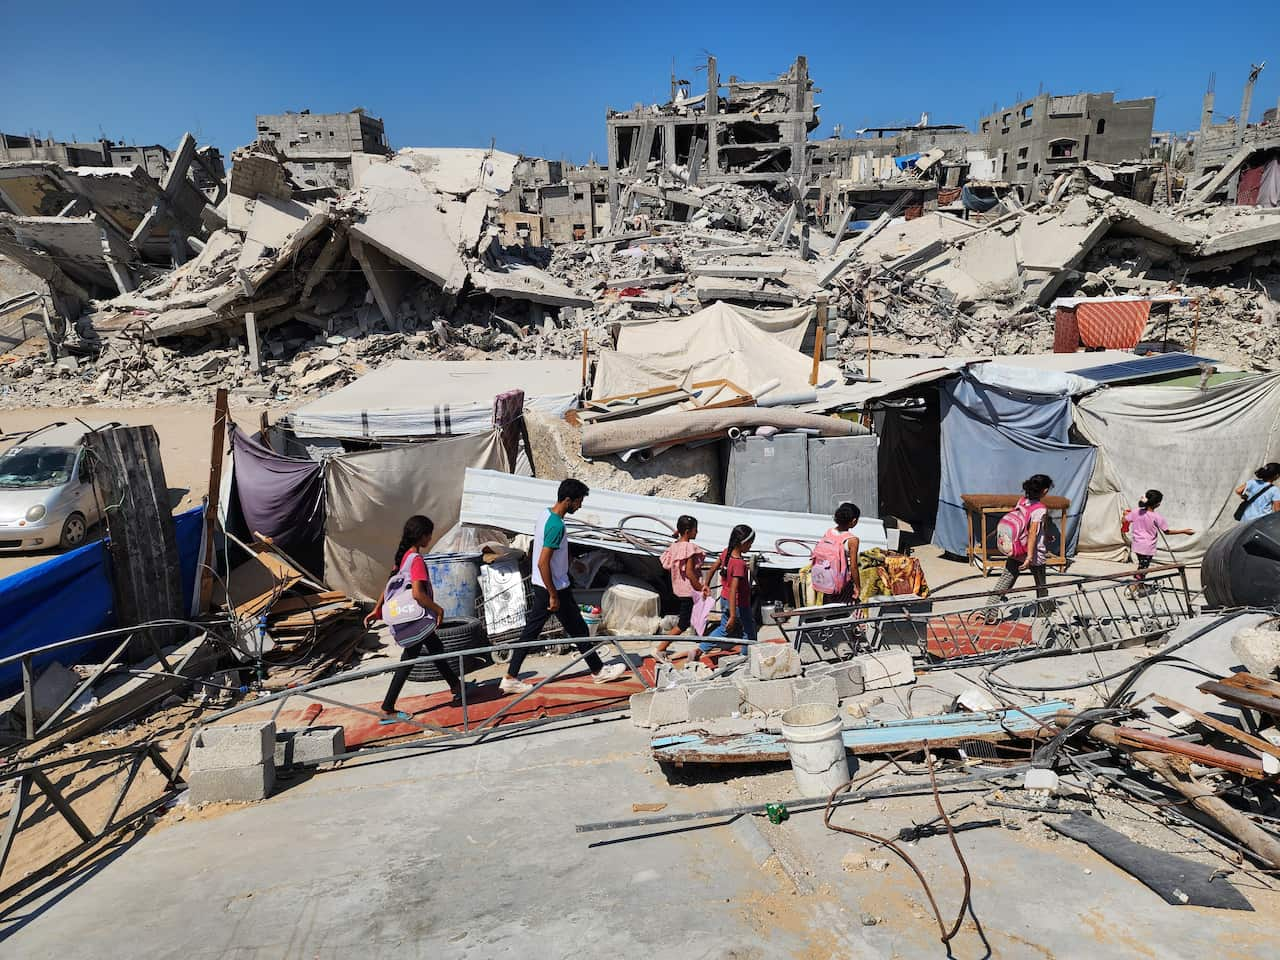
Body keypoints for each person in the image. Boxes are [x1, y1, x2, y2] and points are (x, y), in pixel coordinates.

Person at [500, 478, 627, 694]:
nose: (580, 506)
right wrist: (552, 594)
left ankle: (597, 670)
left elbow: (542, 548)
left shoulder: (546, 515)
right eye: (578, 501)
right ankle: (597, 671)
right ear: (568, 500)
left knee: (572, 628)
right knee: (548, 631)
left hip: (551, 584)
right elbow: (542, 562)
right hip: (553, 587)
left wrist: (570, 562)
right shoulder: (556, 525)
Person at [364, 515, 462, 723]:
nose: (431, 538)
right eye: (429, 534)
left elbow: (390, 584)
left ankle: (456, 685)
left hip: (408, 616)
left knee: (436, 649)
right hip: (416, 617)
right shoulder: (416, 559)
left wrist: (377, 609)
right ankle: (387, 708)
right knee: (408, 660)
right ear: (423, 536)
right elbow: (418, 593)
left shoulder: (403, 557)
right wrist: (438, 609)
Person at [990, 475, 1053, 607]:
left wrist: (1046, 535)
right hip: (1033, 553)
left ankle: (988, 609)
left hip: (1017, 548)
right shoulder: (1040, 509)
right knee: (1041, 584)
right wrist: (1029, 557)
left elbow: (1027, 525)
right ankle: (1044, 611)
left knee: (1006, 578)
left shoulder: (1022, 501)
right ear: (1045, 491)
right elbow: (1032, 534)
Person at [652, 515, 706, 664]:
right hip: (688, 590)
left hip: (679, 589)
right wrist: (701, 587)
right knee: (683, 624)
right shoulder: (689, 548)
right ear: (688, 531)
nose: (697, 532)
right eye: (695, 529)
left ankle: (662, 648)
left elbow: (668, 564)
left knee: (685, 620)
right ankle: (660, 648)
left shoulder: (674, 546)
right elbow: (689, 572)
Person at [701, 524, 756, 660]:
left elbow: (713, 568)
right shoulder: (739, 564)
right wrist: (733, 616)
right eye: (750, 544)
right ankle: (746, 657)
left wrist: (706, 585)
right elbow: (734, 590)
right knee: (749, 631)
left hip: (725, 600)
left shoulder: (726, 552)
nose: (750, 547)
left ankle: (700, 648)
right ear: (743, 543)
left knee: (723, 629)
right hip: (738, 604)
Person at [1124, 490, 1194, 594]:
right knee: (1143, 569)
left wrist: (1125, 516)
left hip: (1137, 546)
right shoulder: (1157, 517)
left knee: (1142, 566)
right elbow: (1167, 532)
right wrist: (1184, 531)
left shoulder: (1136, 512)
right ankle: (1132, 589)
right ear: (1158, 504)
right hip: (1147, 548)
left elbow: (1125, 520)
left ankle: (1141, 586)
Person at [811, 502, 861, 606]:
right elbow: (853, 567)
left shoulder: (829, 532)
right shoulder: (852, 540)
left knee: (829, 607)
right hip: (843, 583)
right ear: (854, 521)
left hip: (825, 578)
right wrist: (858, 586)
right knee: (845, 610)